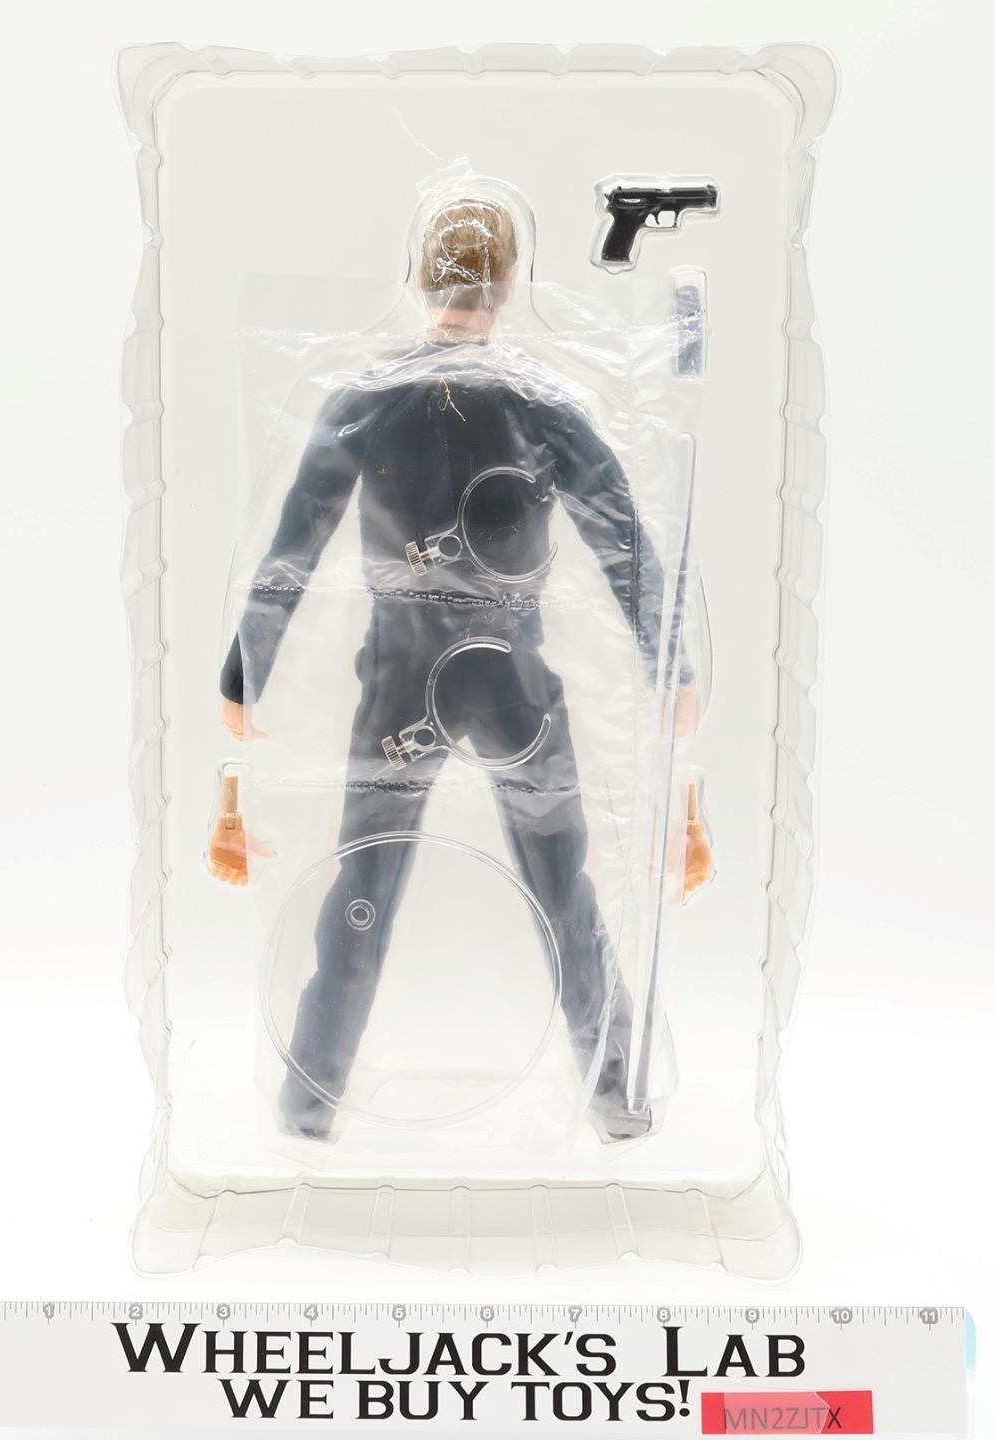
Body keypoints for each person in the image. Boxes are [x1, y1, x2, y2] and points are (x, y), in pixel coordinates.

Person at [213, 197, 707, 1141]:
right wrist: (670, 665)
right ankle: (616, 1100)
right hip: (510, 679)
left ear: (419, 275)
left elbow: (291, 549)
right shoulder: (544, 404)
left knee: (362, 897)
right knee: (564, 892)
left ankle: (307, 1106)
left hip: (401, 676)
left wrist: (244, 673)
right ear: (510, 285)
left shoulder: (366, 399)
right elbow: (625, 545)